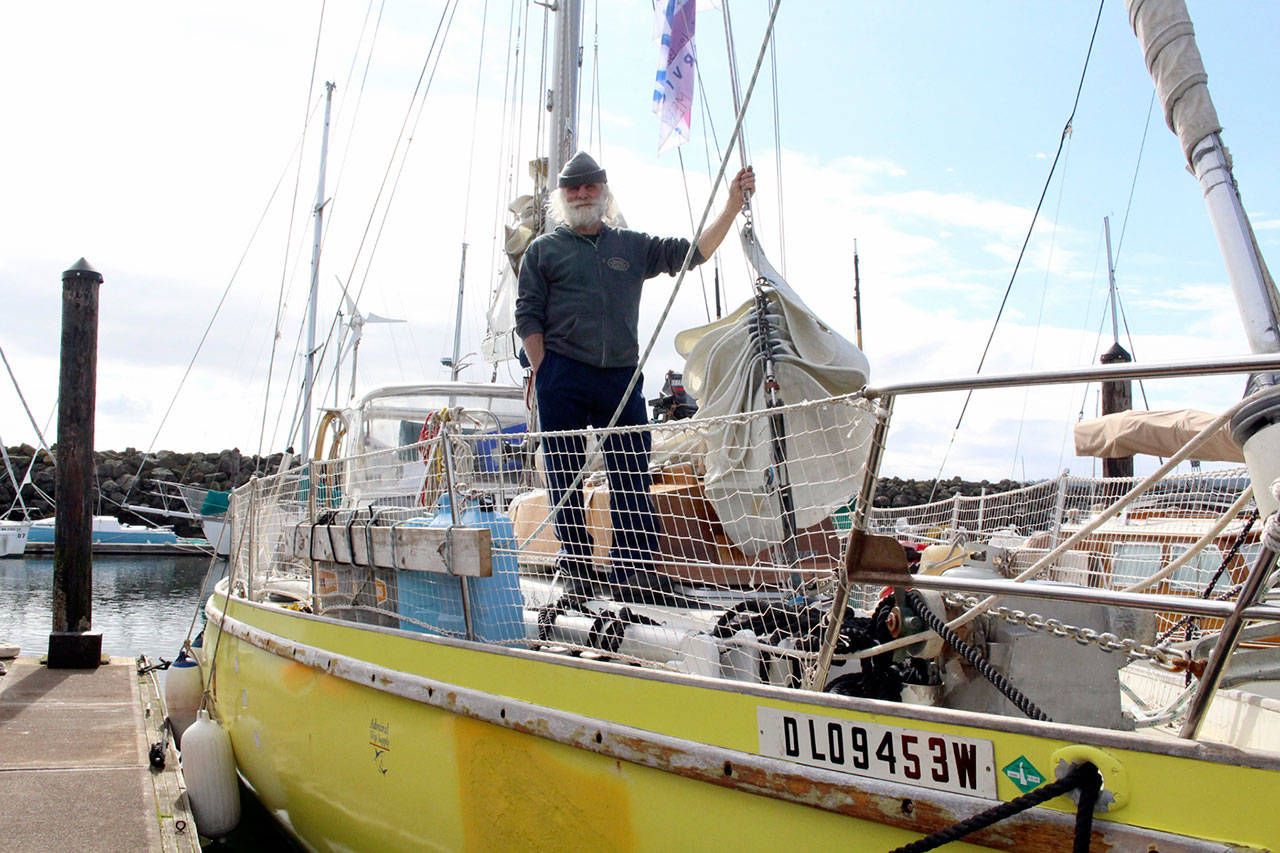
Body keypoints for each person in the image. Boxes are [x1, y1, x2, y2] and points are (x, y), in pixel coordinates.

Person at [515, 150, 755, 600]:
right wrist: (544, 370)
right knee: (565, 474)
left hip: (620, 378)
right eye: (573, 188)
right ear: (562, 196)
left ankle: (633, 569)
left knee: (631, 472)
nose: (582, 194)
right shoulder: (543, 251)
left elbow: (694, 253)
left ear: (604, 191)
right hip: (562, 373)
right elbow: (527, 315)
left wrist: (730, 204)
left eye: (590, 185)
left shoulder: (631, 246)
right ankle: (578, 568)